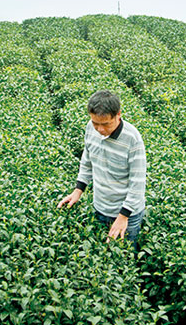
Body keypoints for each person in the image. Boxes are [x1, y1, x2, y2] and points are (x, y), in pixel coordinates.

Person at [57, 90, 146, 250]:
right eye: (95, 123)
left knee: (123, 257)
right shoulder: (91, 129)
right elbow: (87, 161)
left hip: (127, 214)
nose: (100, 129)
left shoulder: (132, 139)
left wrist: (123, 216)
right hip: (100, 207)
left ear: (118, 115)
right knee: (101, 254)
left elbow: (137, 183)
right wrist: (78, 191)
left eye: (105, 124)